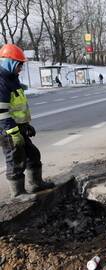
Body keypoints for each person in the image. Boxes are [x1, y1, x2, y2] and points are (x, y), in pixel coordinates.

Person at [0, 44, 55, 198]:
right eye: (19, 64)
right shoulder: (1, 81)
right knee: (16, 160)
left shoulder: (12, 78)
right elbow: (2, 112)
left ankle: (35, 184)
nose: (21, 68)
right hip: (7, 130)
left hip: (18, 127)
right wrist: (12, 133)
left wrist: (25, 125)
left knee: (33, 155)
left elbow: (17, 107)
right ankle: (17, 194)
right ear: (9, 62)